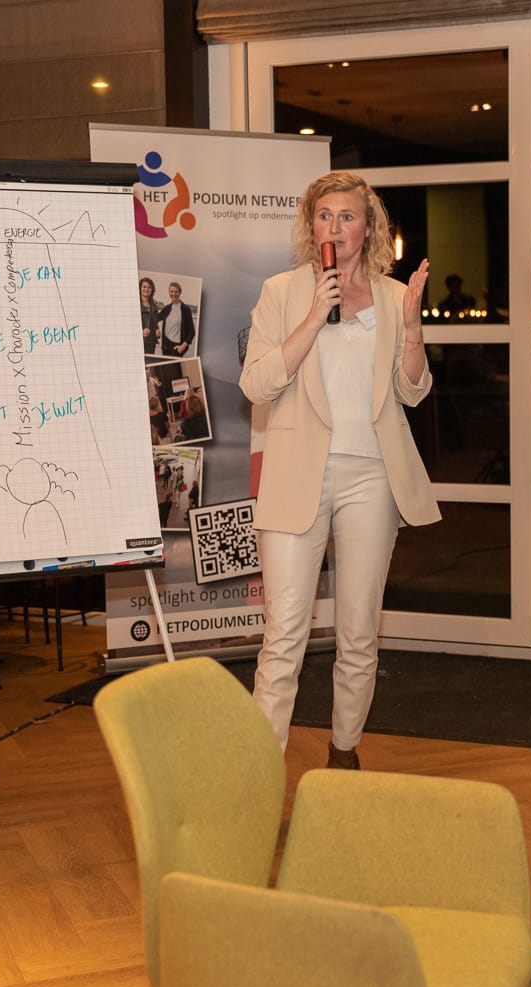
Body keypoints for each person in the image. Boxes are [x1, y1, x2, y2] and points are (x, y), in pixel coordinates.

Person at [239, 170, 440, 770]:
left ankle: (344, 754)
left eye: (347, 216)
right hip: (296, 476)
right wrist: (312, 317)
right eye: (324, 216)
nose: (335, 227)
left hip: (372, 477)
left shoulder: (392, 296)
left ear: (368, 227)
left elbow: (413, 391)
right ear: (311, 226)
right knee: (283, 636)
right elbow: (256, 385)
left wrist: (412, 330)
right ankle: (258, 775)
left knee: (358, 632)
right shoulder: (282, 291)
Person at [159, 280, 197, 357]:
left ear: (180, 293)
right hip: (165, 346)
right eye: (172, 291)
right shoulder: (166, 308)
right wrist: (156, 329)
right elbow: (155, 319)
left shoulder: (186, 310)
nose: (174, 294)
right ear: (169, 292)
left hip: (177, 347)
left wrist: (183, 346)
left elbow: (191, 331)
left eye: (176, 292)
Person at [139, 277, 164, 355]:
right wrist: (141, 331)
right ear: (139, 288)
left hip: (151, 342)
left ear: (152, 290)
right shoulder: (135, 304)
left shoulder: (154, 306)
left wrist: (157, 330)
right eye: (144, 287)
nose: (146, 289)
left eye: (149, 287)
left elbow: (154, 322)